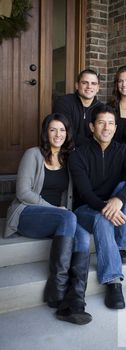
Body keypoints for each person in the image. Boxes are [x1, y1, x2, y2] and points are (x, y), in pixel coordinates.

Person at [4, 113, 92, 325]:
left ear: (67, 133)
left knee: (84, 238)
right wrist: (56, 210)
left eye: (62, 130)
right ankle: (57, 291)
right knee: (68, 218)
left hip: (60, 218)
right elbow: (23, 192)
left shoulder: (68, 159)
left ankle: (76, 299)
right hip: (27, 214)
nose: (58, 134)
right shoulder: (32, 154)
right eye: (53, 129)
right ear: (46, 133)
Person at [69, 104, 126, 309]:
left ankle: (119, 245)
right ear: (92, 126)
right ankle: (113, 282)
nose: (106, 128)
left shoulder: (124, 152)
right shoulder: (78, 155)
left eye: (111, 123)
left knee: (125, 189)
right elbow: (85, 193)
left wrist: (118, 199)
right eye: (101, 123)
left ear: (115, 128)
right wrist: (105, 207)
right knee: (103, 216)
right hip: (85, 210)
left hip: (110, 206)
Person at [53, 69, 102, 146]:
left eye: (93, 83)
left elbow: (103, 135)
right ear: (77, 85)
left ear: (98, 88)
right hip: (67, 152)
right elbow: (66, 132)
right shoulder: (63, 102)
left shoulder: (101, 108)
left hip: (92, 153)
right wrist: (92, 144)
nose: (89, 86)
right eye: (84, 83)